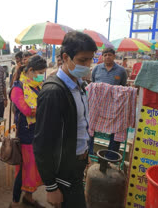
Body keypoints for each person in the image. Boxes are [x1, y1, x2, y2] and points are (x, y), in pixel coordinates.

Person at [33, 31, 97, 208]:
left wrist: (84, 154)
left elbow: (80, 125)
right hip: (62, 175)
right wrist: (51, 187)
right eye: (82, 60)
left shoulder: (80, 85)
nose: (87, 65)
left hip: (75, 166)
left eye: (90, 60)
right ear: (65, 57)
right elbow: (42, 144)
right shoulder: (53, 93)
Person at [9, 55, 47, 208]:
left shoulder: (37, 86)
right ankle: (14, 202)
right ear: (30, 70)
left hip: (37, 132)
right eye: (40, 72)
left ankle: (28, 197)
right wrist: (44, 109)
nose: (41, 76)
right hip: (25, 135)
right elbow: (26, 110)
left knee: (33, 167)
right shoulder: (17, 88)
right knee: (23, 169)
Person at [90, 48, 128, 159]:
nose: (107, 57)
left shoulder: (121, 71)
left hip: (114, 107)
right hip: (97, 106)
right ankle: (89, 153)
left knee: (117, 130)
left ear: (114, 56)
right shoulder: (96, 69)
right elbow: (93, 84)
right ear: (102, 56)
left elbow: (123, 87)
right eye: (105, 55)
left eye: (110, 55)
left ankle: (110, 157)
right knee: (89, 127)